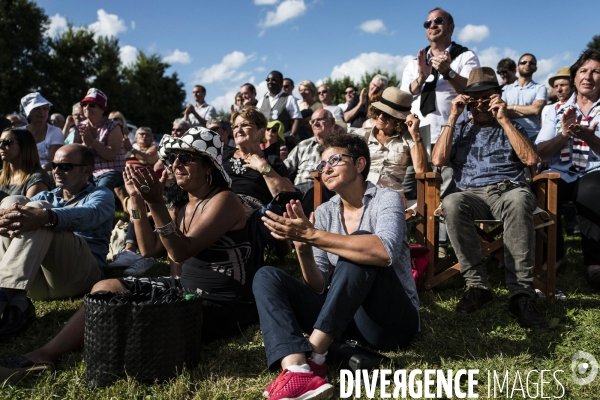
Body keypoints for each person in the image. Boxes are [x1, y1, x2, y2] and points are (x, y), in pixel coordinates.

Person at [0, 129, 258, 380]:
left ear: (209, 166)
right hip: (186, 289)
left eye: (187, 157)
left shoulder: (225, 200)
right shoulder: (183, 203)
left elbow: (180, 252)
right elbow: (149, 249)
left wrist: (156, 203)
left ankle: (48, 353)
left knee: (143, 315)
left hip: (222, 303)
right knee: (105, 286)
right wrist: (136, 201)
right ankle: (46, 354)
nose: (177, 164)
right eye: (174, 158)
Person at [254, 133, 419, 400]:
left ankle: (317, 355)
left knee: (358, 244)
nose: (325, 169)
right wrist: (303, 251)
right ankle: (297, 369)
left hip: (390, 321)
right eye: (322, 164)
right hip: (343, 318)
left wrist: (313, 236)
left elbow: (383, 252)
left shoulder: (386, 199)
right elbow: (318, 285)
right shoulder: (324, 212)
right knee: (267, 276)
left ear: (360, 164)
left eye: (335, 160)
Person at [431, 67, 547, 329]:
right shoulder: (458, 127)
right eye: (475, 99)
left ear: (498, 96)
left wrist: (504, 119)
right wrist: (452, 116)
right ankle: (477, 286)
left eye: (488, 97)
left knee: (518, 201)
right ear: (467, 100)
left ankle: (521, 294)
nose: (481, 104)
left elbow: (531, 160)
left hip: (508, 189)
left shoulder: (512, 125)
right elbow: (438, 160)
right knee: (451, 202)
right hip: (471, 193)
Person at [0, 144, 114, 339]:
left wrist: (48, 216)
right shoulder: (48, 195)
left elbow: (90, 215)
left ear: (87, 169)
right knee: (14, 203)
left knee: (39, 210)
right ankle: (17, 301)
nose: (56, 171)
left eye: (65, 166)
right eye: (54, 165)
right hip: (33, 281)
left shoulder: (102, 195)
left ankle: (4, 294)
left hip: (79, 275)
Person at [535, 49, 600, 290]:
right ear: (574, 78)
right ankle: (554, 255)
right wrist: (564, 134)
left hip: (594, 169)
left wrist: (589, 137)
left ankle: (594, 262)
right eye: (583, 71)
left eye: (596, 72)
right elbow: (540, 152)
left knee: (591, 191)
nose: (588, 76)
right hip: (561, 171)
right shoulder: (553, 110)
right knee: (541, 189)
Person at [354, 87, 429, 198]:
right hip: (361, 188)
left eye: (387, 115)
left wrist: (416, 134)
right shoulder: (361, 135)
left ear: (399, 119)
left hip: (390, 192)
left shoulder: (408, 138)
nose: (380, 117)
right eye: (379, 111)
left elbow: (421, 171)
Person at [224, 107, 295, 217]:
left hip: (252, 209)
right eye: (235, 127)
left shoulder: (270, 159)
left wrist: (264, 168)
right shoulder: (224, 154)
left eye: (244, 125)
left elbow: (289, 195)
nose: (238, 130)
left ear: (261, 132)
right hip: (220, 200)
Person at [74, 88, 126, 191]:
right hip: (88, 170)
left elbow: (111, 155)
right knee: (75, 184)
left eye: (92, 105)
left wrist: (92, 141)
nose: (87, 107)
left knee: (103, 187)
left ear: (102, 109)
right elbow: (74, 153)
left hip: (111, 170)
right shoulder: (80, 126)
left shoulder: (113, 126)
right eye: (84, 104)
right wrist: (85, 144)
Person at [285, 109, 336, 186]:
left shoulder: (340, 145)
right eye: (312, 121)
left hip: (325, 191)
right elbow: (286, 168)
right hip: (299, 191)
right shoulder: (303, 145)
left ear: (332, 121)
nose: (315, 123)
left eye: (319, 119)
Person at [502, 53, 547, 141]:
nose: (527, 64)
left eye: (531, 63)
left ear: (535, 68)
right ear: (517, 68)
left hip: (534, 135)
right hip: (510, 135)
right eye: (523, 62)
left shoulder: (540, 88)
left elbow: (536, 110)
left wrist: (511, 107)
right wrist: (529, 109)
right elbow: (502, 112)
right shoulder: (506, 89)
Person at [0, 129, 54, 201]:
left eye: (7, 142)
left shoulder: (37, 178)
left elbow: (29, 210)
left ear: (24, 145)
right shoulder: (1, 174)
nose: (1, 146)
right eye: (0, 142)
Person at [19, 93, 64, 171]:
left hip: (46, 172)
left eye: (45, 108)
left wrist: (39, 173)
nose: (42, 112)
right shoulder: (19, 132)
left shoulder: (55, 131)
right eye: (37, 108)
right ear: (28, 112)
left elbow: (54, 160)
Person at [257, 71, 302, 141]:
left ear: (281, 82)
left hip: (284, 140)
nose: (270, 82)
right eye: (268, 80)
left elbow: (297, 119)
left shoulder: (289, 98)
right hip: (265, 141)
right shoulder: (262, 100)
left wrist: (292, 135)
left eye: (274, 80)